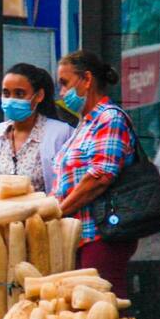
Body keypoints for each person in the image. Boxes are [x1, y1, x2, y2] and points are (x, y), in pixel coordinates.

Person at [52, 50, 139, 297]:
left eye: (65, 83)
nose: (61, 93)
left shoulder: (109, 119)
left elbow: (100, 177)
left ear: (87, 80)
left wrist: (58, 211)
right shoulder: (84, 123)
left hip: (101, 236)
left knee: (101, 311)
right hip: (79, 237)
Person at [0, 62, 74, 195]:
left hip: (41, 215)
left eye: (19, 94)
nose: (11, 100)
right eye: (6, 93)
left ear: (39, 96)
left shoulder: (61, 134)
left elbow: (67, 190)